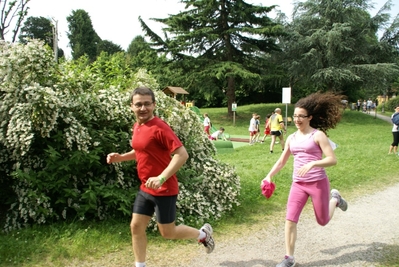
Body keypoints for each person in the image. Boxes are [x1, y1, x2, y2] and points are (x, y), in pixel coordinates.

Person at [106, 87, 215, 267]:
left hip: (164, 189)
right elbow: (141, 150)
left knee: (167, 232)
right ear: (131, 107)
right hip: (145, 187)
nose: (143, 108)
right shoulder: (138, 126)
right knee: (136, 226)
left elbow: (182, 154)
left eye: (147, 104)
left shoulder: (160, 127)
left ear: (154, 105)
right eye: (138, 104)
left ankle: (203, 235)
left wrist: (161, 178)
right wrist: (121, 157)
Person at [261, 92, 348, 267]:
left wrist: (313, 164)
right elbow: (282, 161)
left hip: (317, 183)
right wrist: (269, 175)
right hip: (298, 184)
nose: (298, 119)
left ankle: (335, 199)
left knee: (322, 221)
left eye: (301, 116)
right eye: (295, 116)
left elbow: (332, 159)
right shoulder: (292, 138)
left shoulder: (318, 135)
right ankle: (289, 258)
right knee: (290, 219)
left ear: (310, 117)